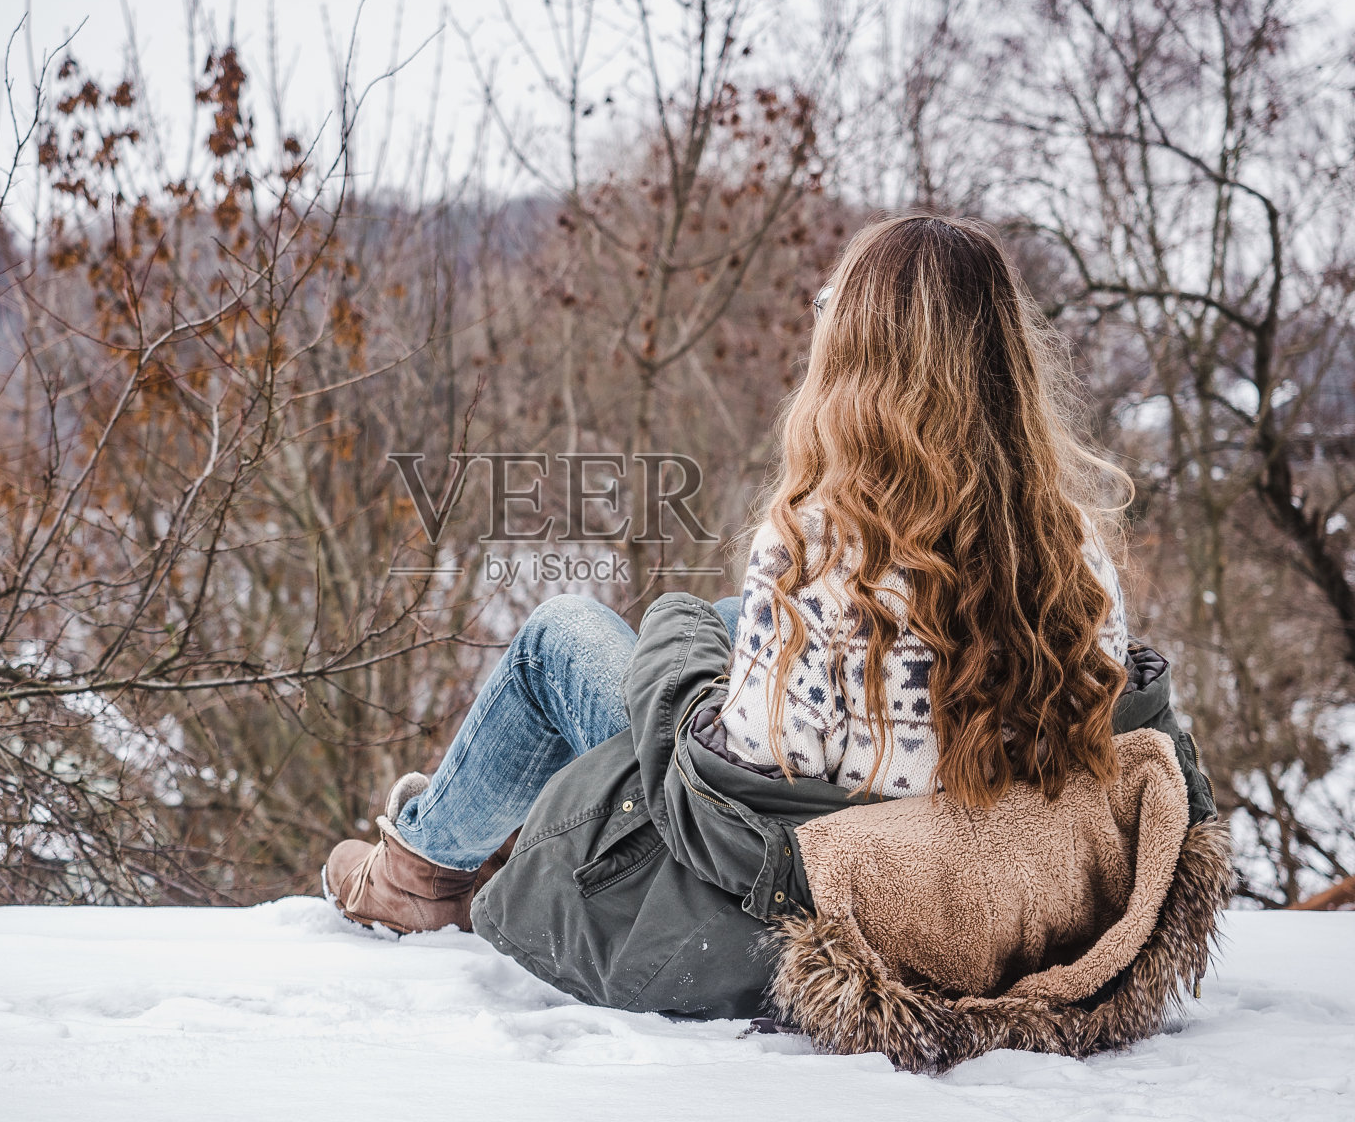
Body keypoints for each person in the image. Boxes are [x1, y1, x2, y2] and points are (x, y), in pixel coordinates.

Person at [323, 215, 1225, 1060]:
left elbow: (728, 796)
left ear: (859, 359)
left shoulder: (820, 551)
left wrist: (676, 656)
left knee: (564, 632)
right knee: (723, 620)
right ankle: (452, 839)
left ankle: (418, 873)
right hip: (987, 859)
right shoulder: (1069, 541)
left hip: (835, 876)